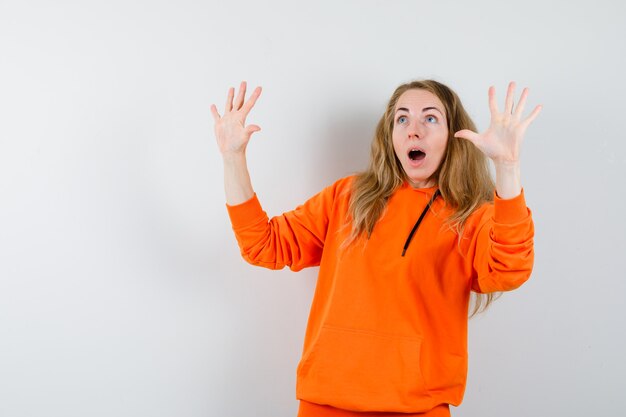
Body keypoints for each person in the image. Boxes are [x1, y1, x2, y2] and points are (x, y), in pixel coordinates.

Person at [211, 79, 541, 417]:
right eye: (402, 119)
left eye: (430, 118)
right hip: (325, 404)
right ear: (390, 135)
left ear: (454, 135)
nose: (414, 130)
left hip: (417, 408)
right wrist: (232, 158)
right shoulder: (347, 197)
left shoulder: (472, 217)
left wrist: (508, 167)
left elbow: (510, 268)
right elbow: (262, 244)